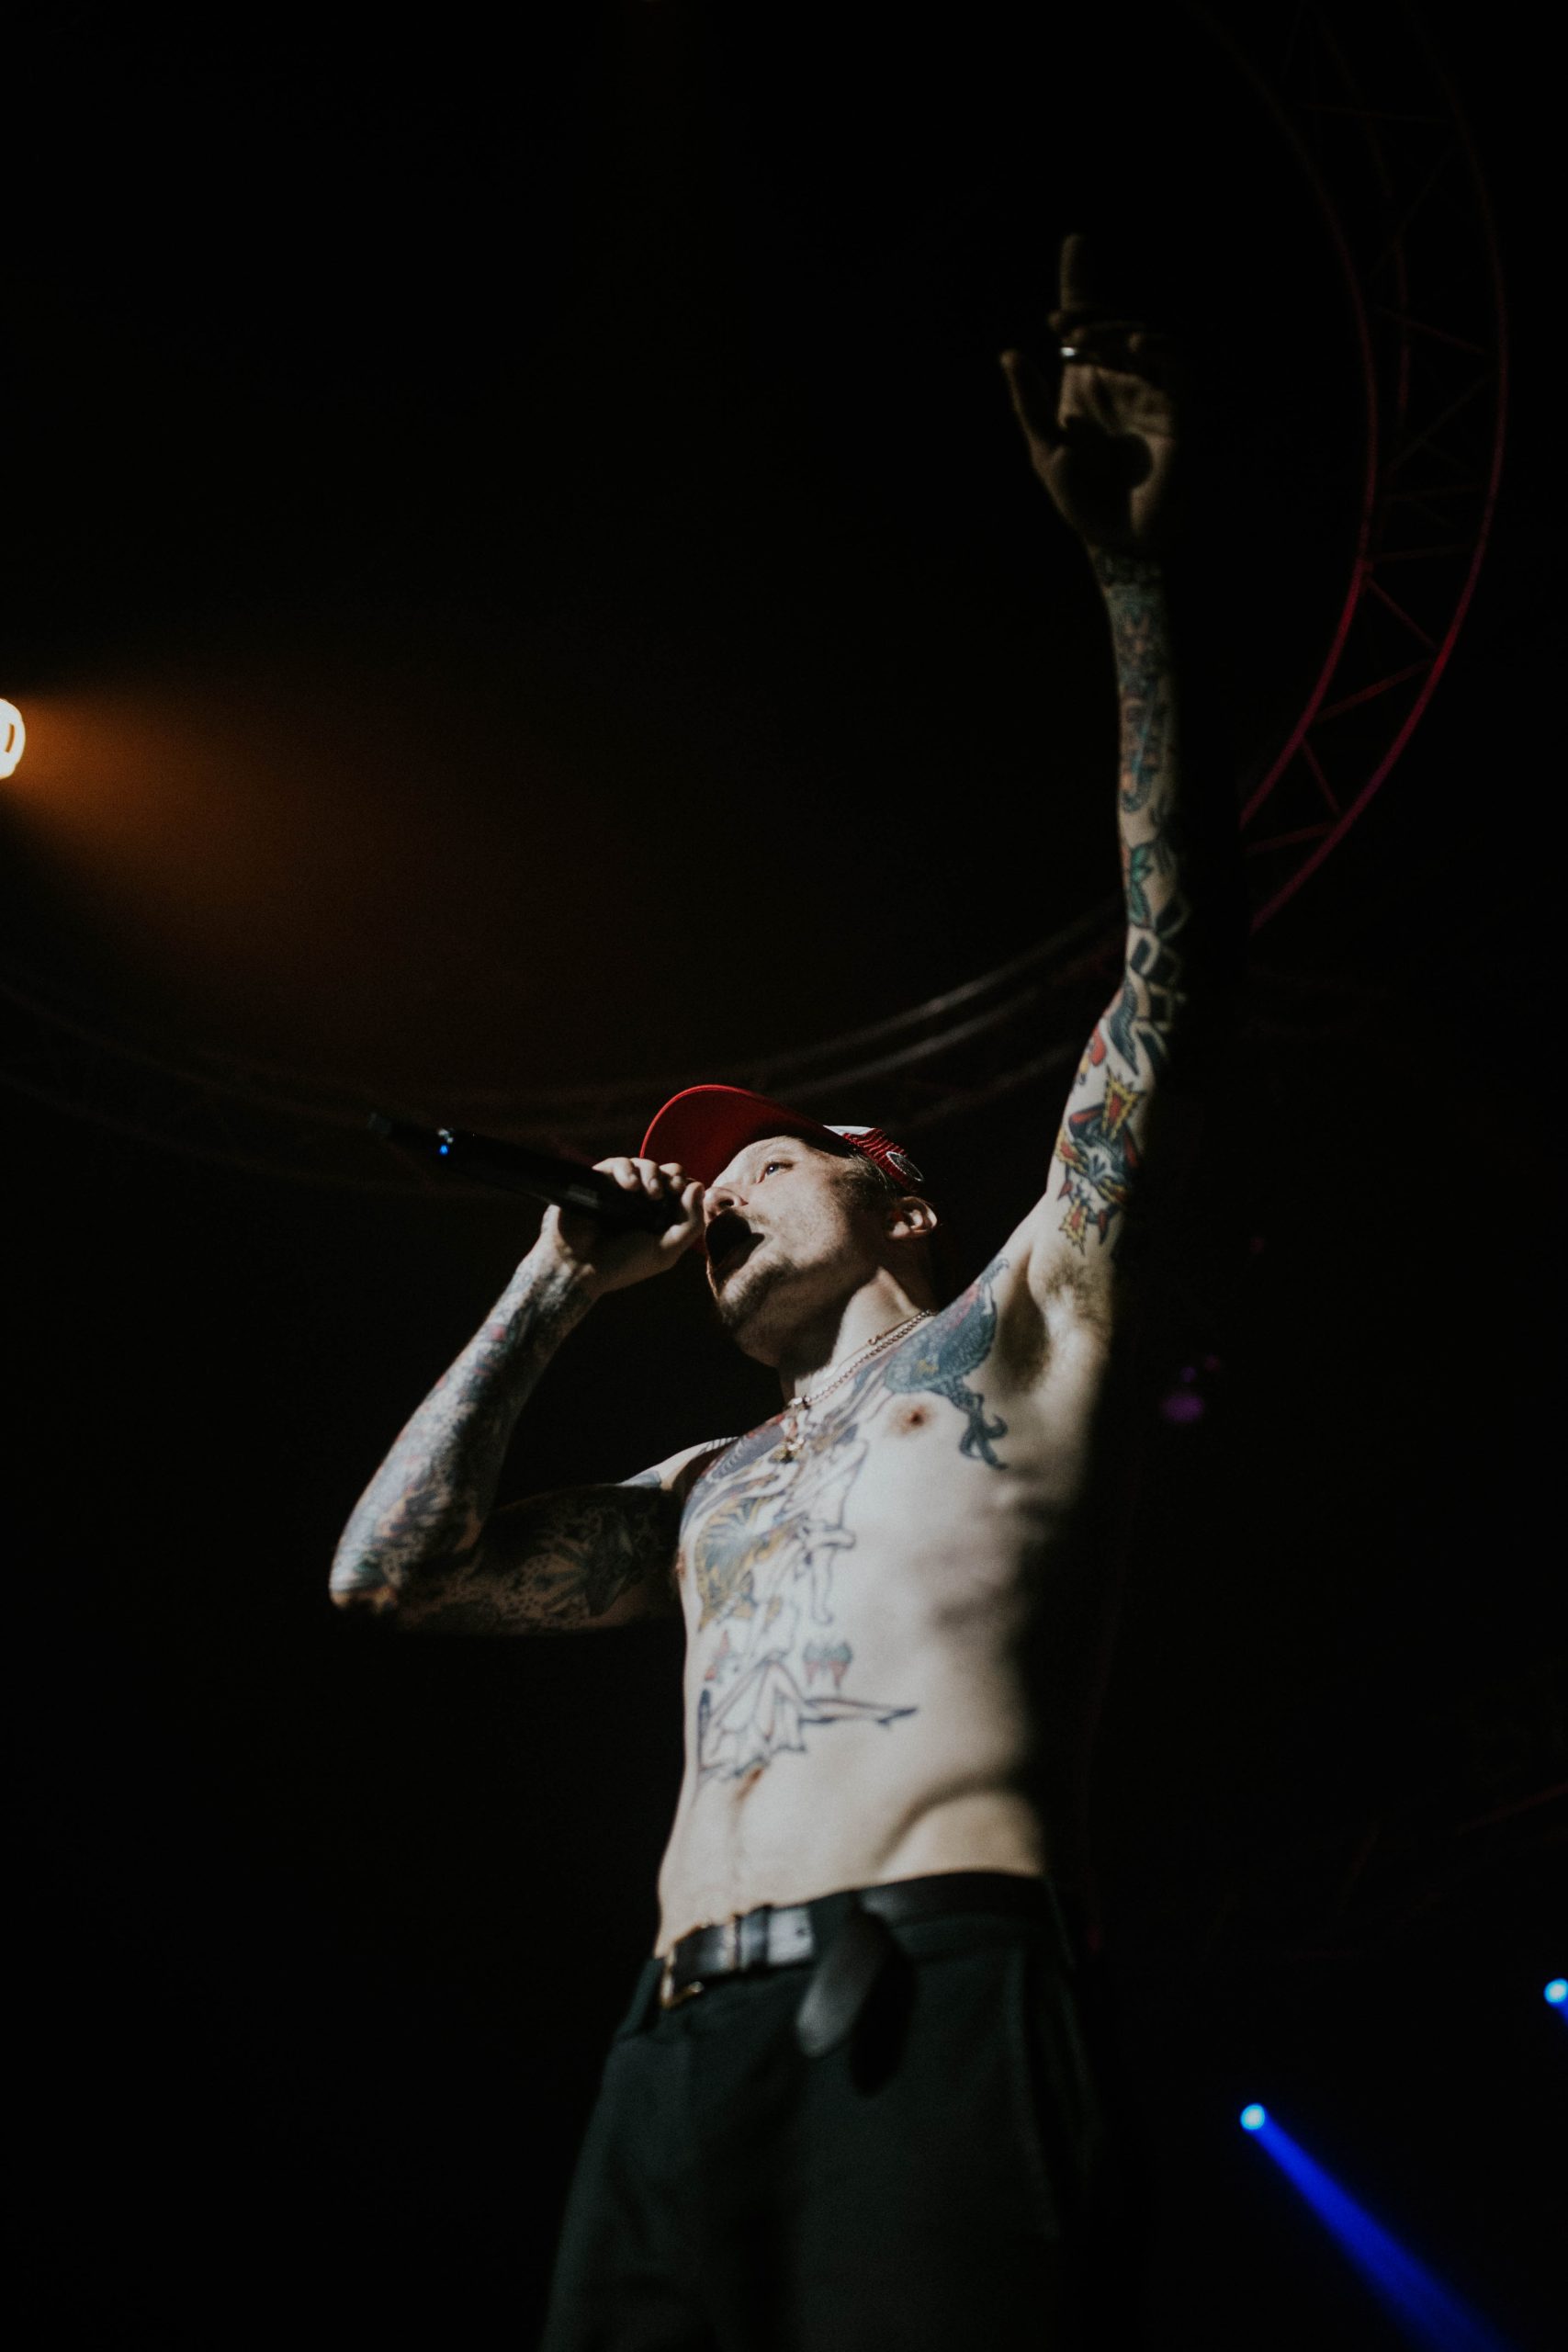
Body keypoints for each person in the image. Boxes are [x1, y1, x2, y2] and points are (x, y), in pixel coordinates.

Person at [331, 236, 1239, 2349]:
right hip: (672, 2046)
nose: (719, 1186)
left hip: (933, 1982)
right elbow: (385, 1576)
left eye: (766, 1154)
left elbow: (1174, 973)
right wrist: (545, 1293)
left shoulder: (1029, 1314)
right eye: (710, 1168)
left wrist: (1131, 580)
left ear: (892, 1193)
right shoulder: (701, 1485)